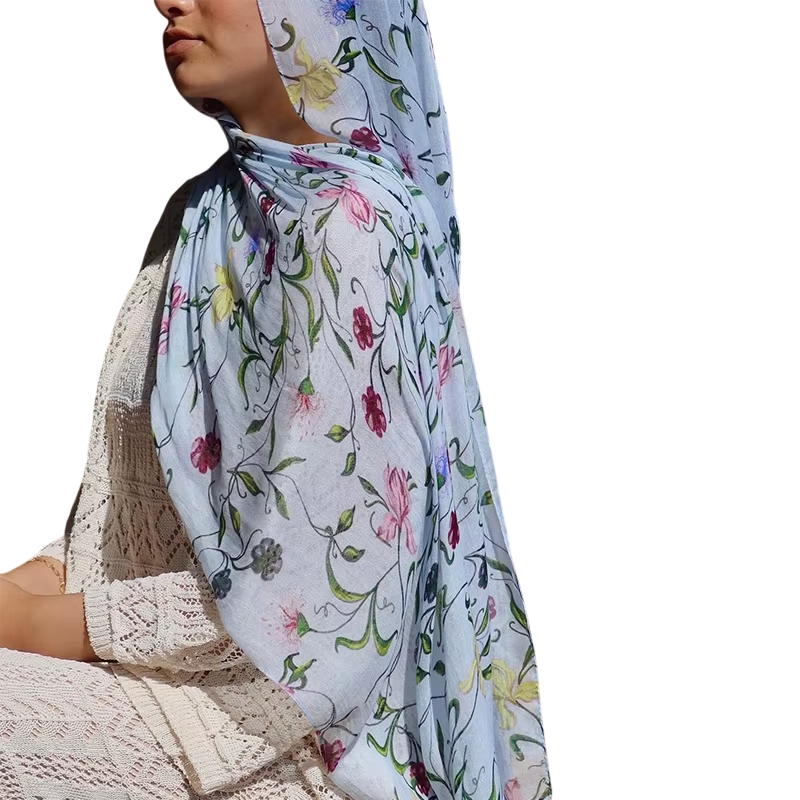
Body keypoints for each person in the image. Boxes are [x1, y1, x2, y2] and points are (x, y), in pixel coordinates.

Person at [0, 0, 552, 798]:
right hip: (165, 688)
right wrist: (33, 584)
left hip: (300, 740)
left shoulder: (356, 229)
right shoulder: (199, 218)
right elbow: (126, 532)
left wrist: (34, 623)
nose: (166, 0)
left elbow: (315, 603)